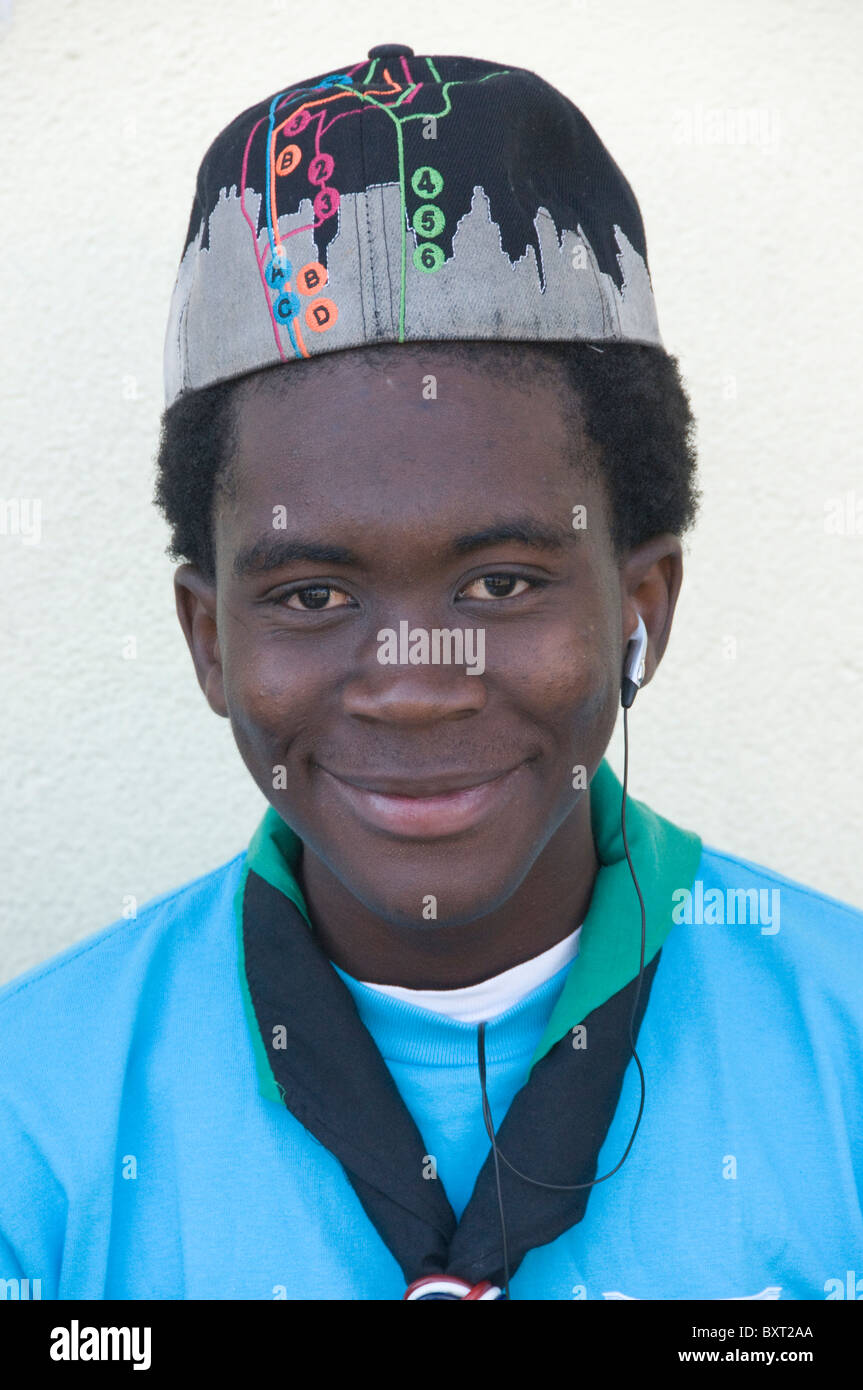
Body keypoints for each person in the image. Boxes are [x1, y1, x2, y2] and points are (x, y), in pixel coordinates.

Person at [1, 44, 861, 1303]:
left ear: (642, 604)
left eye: (500, 582)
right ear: (207, 639)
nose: (412, 682)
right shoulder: (37, 1114)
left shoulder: (839, 1059)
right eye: (313, 594)